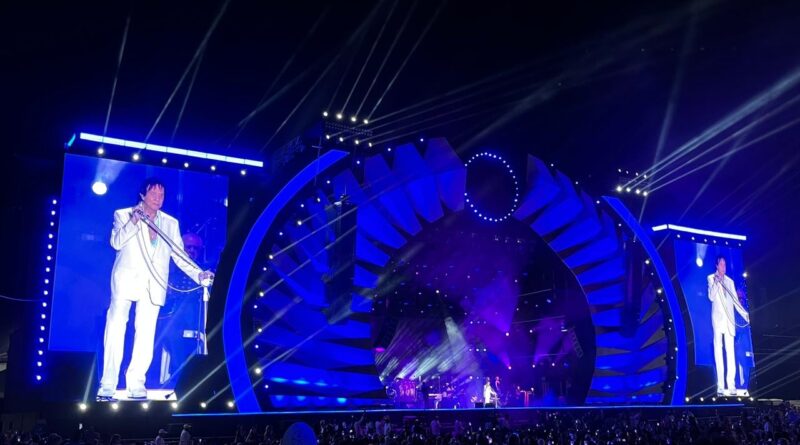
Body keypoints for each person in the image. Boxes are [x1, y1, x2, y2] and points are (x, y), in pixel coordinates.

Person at [97, 179, 214, 399]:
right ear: (143, 195)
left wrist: (198, 274)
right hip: (125, 281)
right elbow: (116, 242)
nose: (158, 198)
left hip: (154, 284)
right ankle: (108, 384)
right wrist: (134, 221)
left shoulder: (170, 223)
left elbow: (179, 254)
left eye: (161, 195)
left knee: (146, 334)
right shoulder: (123, 214)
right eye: (153, 194)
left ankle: (136, 383)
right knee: (115, 330)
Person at [708, 255, 750, 396]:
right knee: (718, 353)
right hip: (718, 321)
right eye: (721, 264)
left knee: (730, 353)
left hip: (729, 322)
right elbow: (711, 297)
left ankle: (731, 385)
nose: (723, 267)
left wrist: (746, 315)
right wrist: (716, 282)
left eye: (725, 264)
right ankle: (720, 386)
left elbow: (735, 302)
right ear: (716, 266)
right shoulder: (711, 278)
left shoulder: (730, 282)